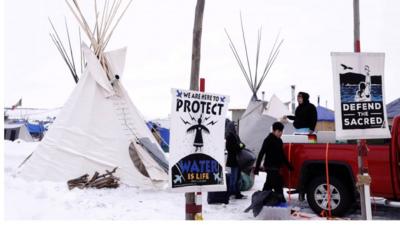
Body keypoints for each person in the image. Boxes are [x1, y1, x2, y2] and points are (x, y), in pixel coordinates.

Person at [253, 122, 293, 203]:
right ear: (274, 131)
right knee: (278, 186)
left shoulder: (279, 140)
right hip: (270, 167)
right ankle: (282, 203)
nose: (281, 133)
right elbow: (261, 153)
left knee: (268, 186)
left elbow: (282, 155)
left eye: (281, 131)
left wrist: (288, 166)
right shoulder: (268, 140)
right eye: (279, 131)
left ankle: (261, 202)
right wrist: (257, 168)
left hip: (276, 167)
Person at [225, 119, 246, 199]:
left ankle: (236, 193)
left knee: (237, 177)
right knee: (234, 178)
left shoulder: (235, 135)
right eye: (234, 126)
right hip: (234, 160)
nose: (236, 127)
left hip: (237, 160)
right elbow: (231, 147)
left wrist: (241, 145)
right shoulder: (230, 136)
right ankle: (230, 193)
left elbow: (241, 144)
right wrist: (240, 146)